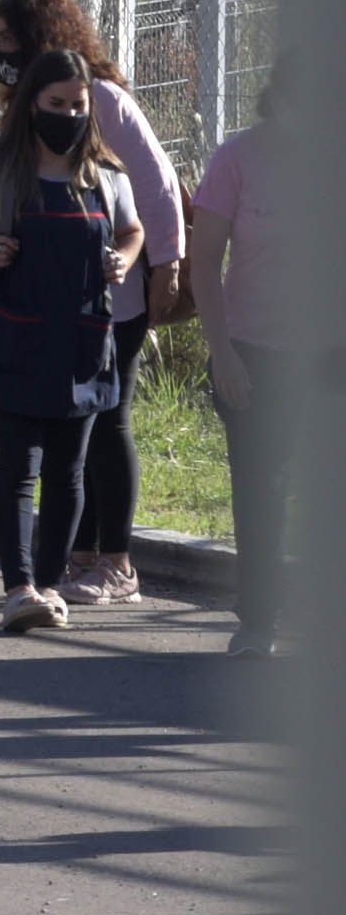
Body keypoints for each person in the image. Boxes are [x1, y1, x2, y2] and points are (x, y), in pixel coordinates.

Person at [0, 45, 153, 633]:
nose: (70, 114)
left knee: (68, 472)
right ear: (31, 104)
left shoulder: (104, 178)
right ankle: (19, 586)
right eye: (57, 103)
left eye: (78, 104)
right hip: (10, 345)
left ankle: (49, 588)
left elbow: (132, 230)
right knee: (18, 466)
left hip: (81, 347)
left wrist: (122, 260)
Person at [0, 0, 186, 606]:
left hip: (113, 301)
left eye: (11, 38)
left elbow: (155, 190)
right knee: (77, 432)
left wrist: (164, 268)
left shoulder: (101, 101)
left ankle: (117, 561)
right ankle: (80, 556)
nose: (0, 52)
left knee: (108, 422)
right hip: (50, 306)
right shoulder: (27, 105)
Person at [178, 97, 281, 657]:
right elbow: (203, 261)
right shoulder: (238, 158)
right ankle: (259, 621)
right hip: (254, 350)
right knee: (262, 490)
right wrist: (222, 354)